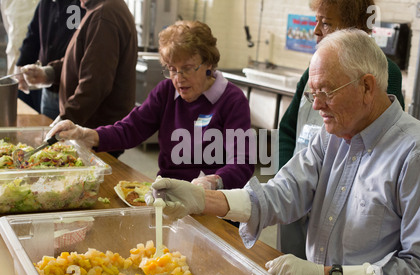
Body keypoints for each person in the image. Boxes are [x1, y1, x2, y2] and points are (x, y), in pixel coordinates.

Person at [145, 29, 420, 275]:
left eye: (325, 92)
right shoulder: (332, 135)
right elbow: (282, 193)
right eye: (312, 93)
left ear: (368, 87)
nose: (316, 105)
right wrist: (202, 199)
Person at [47, 20, 254, 191]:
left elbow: (243, 162)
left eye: (188, 68)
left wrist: (212, 181)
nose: (178, 78)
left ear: (209, 63)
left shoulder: (232, 101)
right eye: (172, 69)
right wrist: (84, 134)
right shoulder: (166, 92)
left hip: (214, 204)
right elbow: (130, 129)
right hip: (169, 194)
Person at [277, 0, 405, 259]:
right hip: (298, 192)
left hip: (336, 200)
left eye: (325, 23)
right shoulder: (313, 71)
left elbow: (377, 143)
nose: (315, 30)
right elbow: (287, 128)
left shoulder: (381, 72)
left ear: (354, 29)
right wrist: (289, 180)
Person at [20, 0, 137, 158]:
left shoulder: (105, 14)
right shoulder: (96, 9)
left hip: (95, 133)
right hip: (88, 129)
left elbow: (95, 83)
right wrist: (47, 73)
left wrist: (65, 119)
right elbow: (79, 61)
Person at [16, 0, 86, 120]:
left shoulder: (83, 5)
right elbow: (33, 35)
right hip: (48, 90)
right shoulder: (45, 3)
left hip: (75, 92)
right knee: (47, 133)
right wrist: (22, 64)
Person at [1, 0, 40, 112]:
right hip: (16, 69)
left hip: (43, 71)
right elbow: (10, 30)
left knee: (42, 118)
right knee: (20, 115)